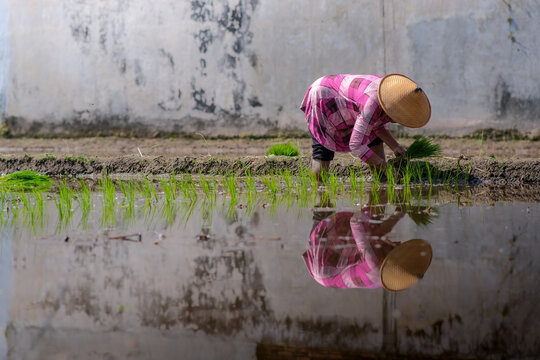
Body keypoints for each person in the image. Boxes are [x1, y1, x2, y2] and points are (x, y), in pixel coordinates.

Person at [300, 73, 431, 180]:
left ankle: (380, 189)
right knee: (323, 153)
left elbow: (376, 124)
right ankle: (320, 201)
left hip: (349, 101)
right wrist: (385, 167)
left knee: (374, 140)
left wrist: (395, 146)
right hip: (323, 97)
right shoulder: (373, 101)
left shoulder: (389, 93)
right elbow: (356, 145)